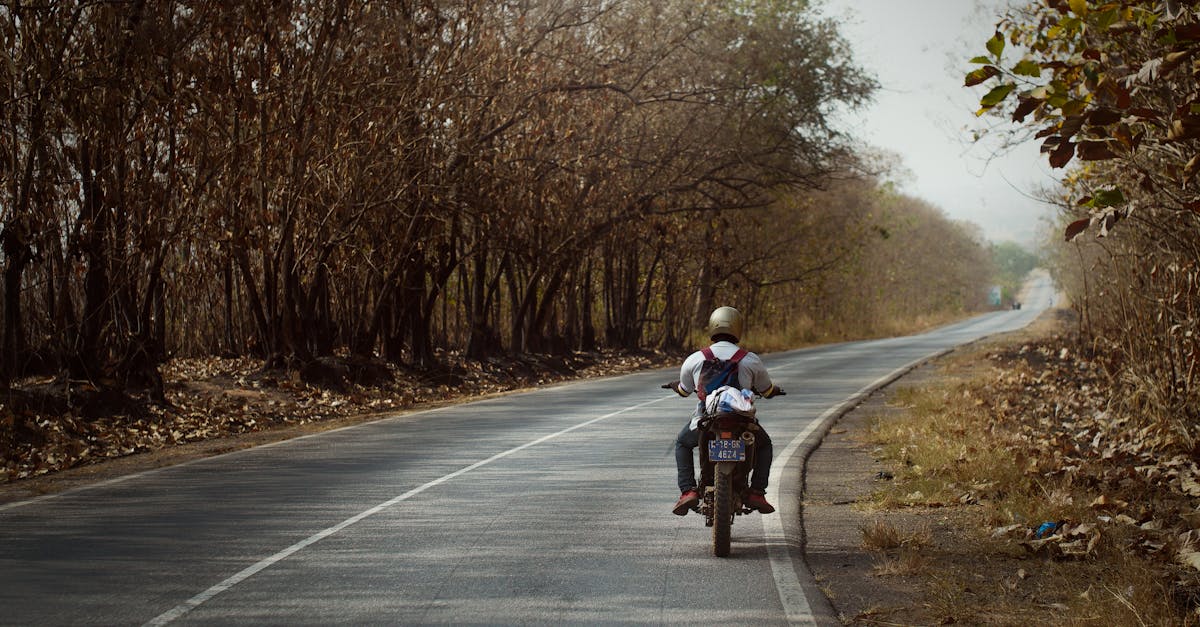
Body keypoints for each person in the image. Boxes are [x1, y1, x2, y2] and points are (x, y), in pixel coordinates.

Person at [665, 306, 783, 516]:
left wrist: (677, 386)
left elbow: (684, 391)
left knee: (683, 443)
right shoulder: (750, 359)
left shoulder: (695, 359)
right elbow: (766, 389)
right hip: (740, 420)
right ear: (738, 328)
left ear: (712, 327)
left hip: (707, 419)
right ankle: (756, 491)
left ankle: (688, 491)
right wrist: (774, 391)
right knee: (764, 446)